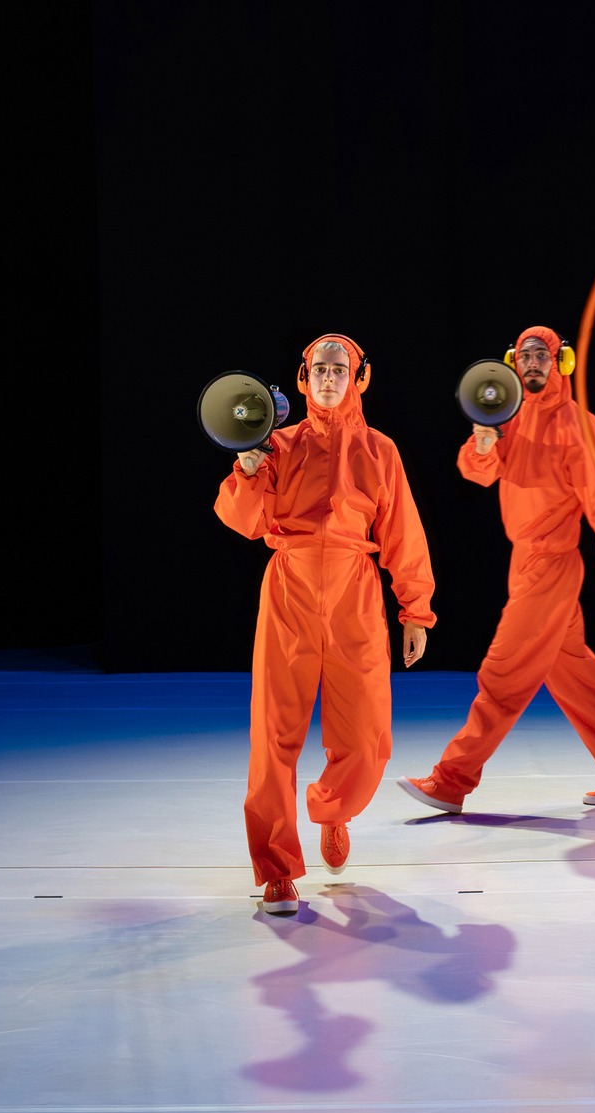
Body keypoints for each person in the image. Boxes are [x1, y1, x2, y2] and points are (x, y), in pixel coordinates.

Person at [397, 326, 595, 816]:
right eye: (524, 355)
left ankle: (452, 779)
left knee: (502, 674)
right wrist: (481, 442)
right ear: (512, 364)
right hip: (525, 562)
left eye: (542, 354)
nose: (532, 362)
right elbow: (478, 473)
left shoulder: (580, 426)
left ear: (562, 361)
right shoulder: (509, 418)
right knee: (575, 676)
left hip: (553, 565)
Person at [215, 334, 436, 917]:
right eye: (320, 369)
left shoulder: (381, 451)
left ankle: (332, 809)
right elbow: (240, 520)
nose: (330, 378)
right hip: (288, 587)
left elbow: (404, 534)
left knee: (367, 739)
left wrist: (416, 609)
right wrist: (247, 467)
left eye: (340, 369)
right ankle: (277, 870)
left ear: (359, 378)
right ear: (303, 378)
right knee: (273, 740)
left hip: (354, 592)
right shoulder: (277, 445)